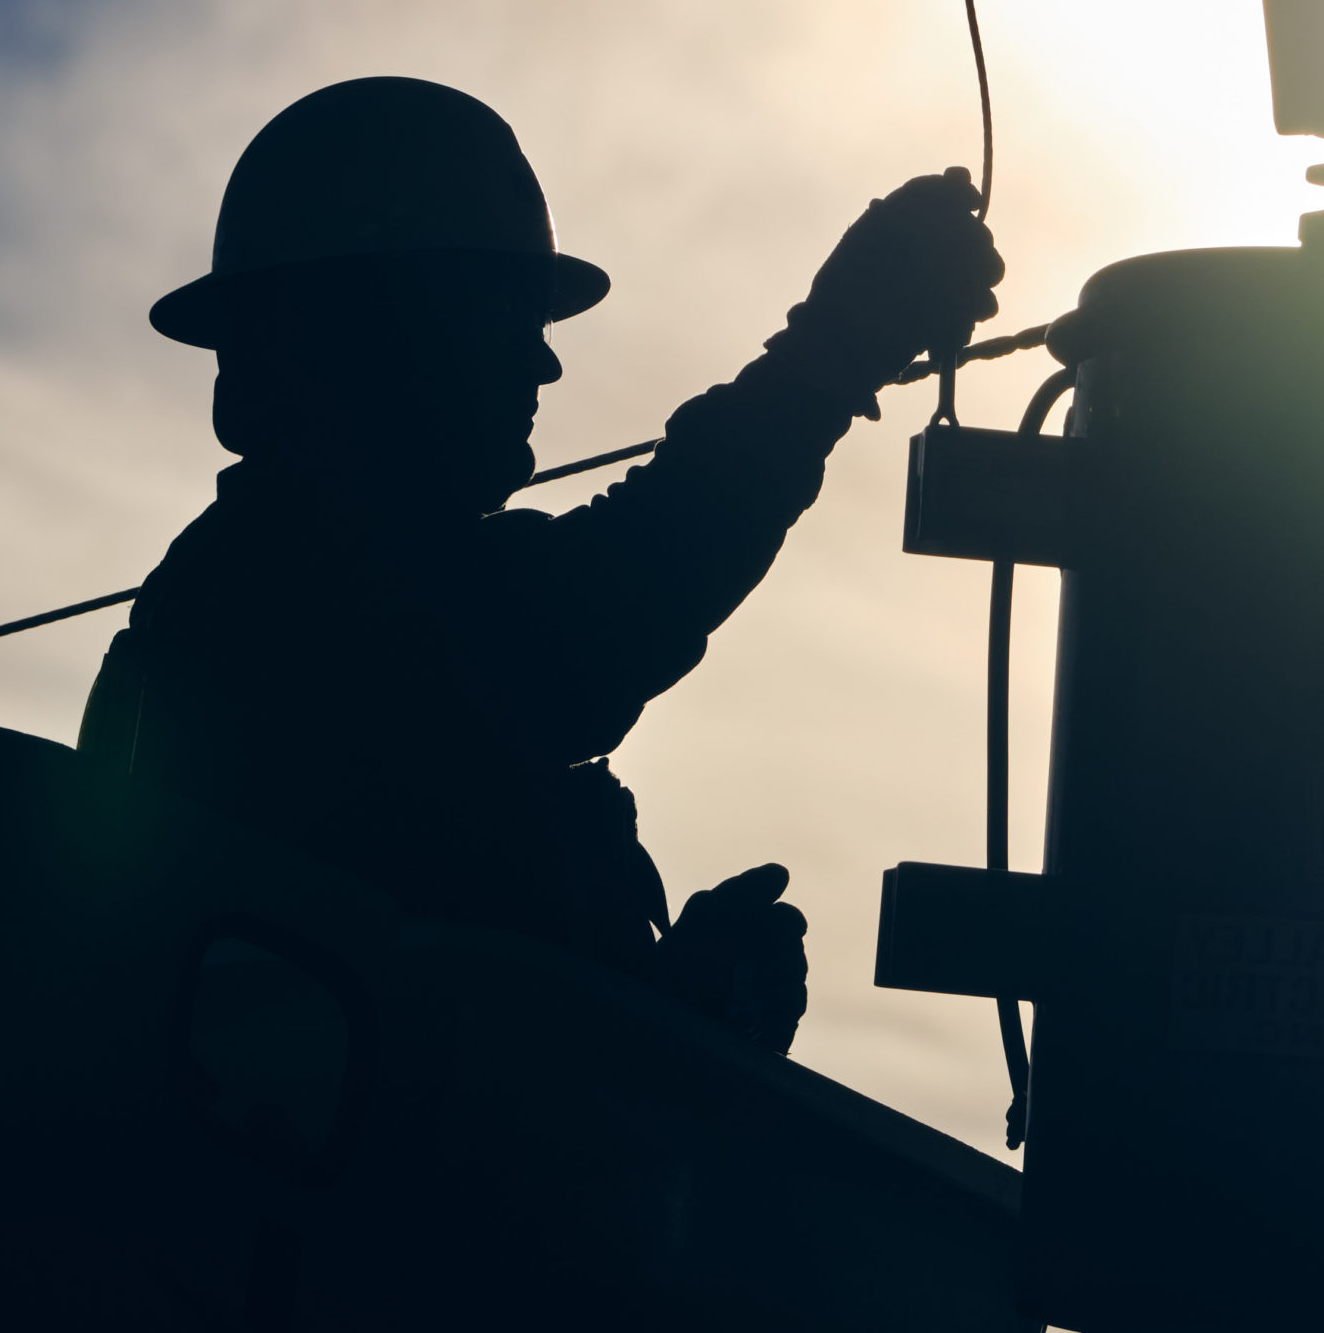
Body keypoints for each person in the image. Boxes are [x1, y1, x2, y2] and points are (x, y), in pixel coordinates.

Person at [79, 76, 1002, 1053]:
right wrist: (828, 357)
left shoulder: (245, 601)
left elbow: (459, 965)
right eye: (506, 320)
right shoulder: (281, 600)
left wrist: (667, 1001)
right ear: (385, 332)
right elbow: (601, 605)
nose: (544, 366)